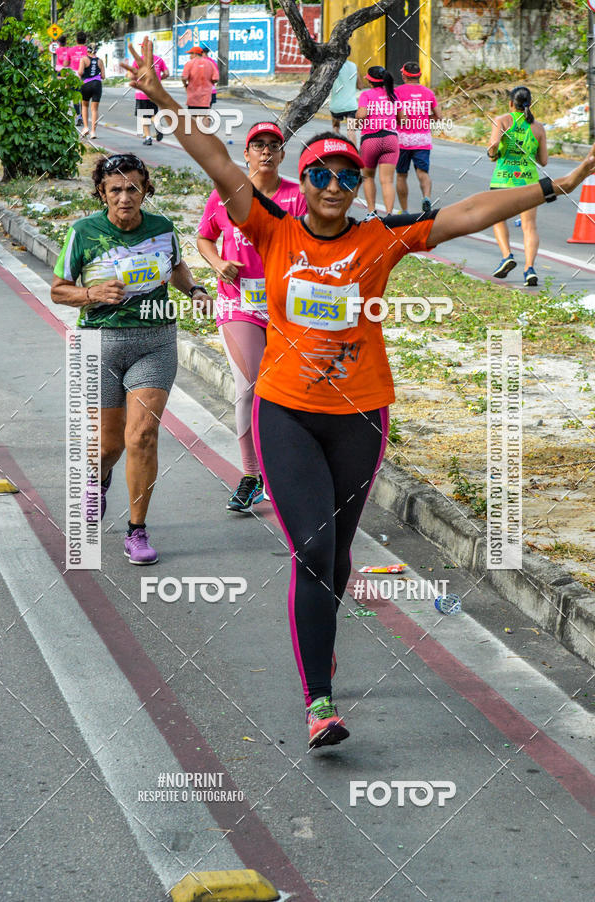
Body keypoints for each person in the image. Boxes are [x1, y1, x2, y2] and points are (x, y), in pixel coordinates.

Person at [125, 37, 595, 748]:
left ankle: (323, 635)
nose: (339, 185)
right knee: (313, 549)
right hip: (286, 412)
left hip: (360, 417)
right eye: (324, 176)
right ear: (304, 184)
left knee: (337, 556)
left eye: (348, 176)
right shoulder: (271, 228)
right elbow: (217, 162)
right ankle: (320, 701)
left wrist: (555, 186)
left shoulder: (380, 239)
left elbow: (470, 213)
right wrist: (163, 101)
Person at [50, 153, 211, 564]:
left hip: (154, 340)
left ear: (145, 190)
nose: (125, 197)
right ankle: (98, 478)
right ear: (102, 192)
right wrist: (91, 294)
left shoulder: (162, 229)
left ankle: (137, 531)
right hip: (99, 344)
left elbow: (176, 269)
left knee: (142, 436)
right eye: (116, 189)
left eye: (133, 188)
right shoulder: (83, 232)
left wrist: (193, 290)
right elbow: (58, 289)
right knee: (107, 445)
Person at [197, 122, 307, 512]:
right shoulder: (227, 195)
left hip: (291, 308)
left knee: (291, 391)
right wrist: (218, 263)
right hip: (238, 303)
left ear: (281, 155)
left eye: (272, 146)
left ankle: (285, 471)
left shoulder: (298, 197)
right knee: (249, 388)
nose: (265, 152)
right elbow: (203, 236)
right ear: (245, 154)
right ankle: (250, 475)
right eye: (257, 145)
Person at [488, 86, 548, 286]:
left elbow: (493, 150)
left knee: (497, 219)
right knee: (529, 227)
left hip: (503, 180)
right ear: (529, 104)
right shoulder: (538, 127)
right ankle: (529, 269)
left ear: (511, 103)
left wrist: (493, 152)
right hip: (529, 181)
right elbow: (544, 161)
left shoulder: (502, 121)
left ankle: (507, 256)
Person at [395, 61, 440, 214]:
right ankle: (426, 198)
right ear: (419, 75)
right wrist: (425, 118)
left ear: (404, 75)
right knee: (423, 172)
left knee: (401, 175)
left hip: (403, 140)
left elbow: (392, 114)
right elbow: (438, 115)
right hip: (422, 139)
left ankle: (405, 210)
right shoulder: (428, 93)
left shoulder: (397, 92)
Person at [356, 66, 402, 215]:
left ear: (370, 81)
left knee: (368, 176)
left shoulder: (366, 95)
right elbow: (403, 119)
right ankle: (389, 215)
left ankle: (372, 213)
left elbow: (362, 115)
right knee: (387, 180)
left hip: (371, 140)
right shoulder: (393, 95)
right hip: (390, 139)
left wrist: (357, 121)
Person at [132, 46, 169, 145]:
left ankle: (148, 138)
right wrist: (159, 79)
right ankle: (158, 126)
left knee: (144, 115)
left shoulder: (138, 60)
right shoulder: (158, 60)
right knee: (153, 113)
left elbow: (132, 75)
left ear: (144, 49)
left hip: (142, 92)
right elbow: (166, 73)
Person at [330, 50, 363, 146]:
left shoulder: (333, 67)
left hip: (336, 106)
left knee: (336, 129)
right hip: (351, 106)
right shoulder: (354, 66)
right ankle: (353, 155)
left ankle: (337, 152)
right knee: (351, 131)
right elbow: (360, 86)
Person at [78, 44, 105, 139]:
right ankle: (93, 131)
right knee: (95, 109)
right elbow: (103, 76)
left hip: (86, 84)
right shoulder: (100, 61)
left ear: (87, 51)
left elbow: (80, 72)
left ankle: (85, 127)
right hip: (97, 85)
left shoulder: (84, 59)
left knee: (84, 106)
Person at [181, 45, 217, 110]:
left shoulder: (189, 64)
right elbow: (215, 79)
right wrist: (209, 83)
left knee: (193, 117)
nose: (190, 56)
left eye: (190, 54)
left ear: (195, 54)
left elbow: (184, 77)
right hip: (206, 97)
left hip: (193, 97)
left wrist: (185, 85)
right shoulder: (210, 63)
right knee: (205, 116)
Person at [69, 31, 89, 126]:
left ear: (76, 40)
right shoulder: (88, 50)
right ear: (85, 40)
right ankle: (83, 116)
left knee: (76, 97)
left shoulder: (71, 50)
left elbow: (65, 63)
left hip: (74, 77)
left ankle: (78, 116)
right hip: (85, 76)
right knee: (84, 98)